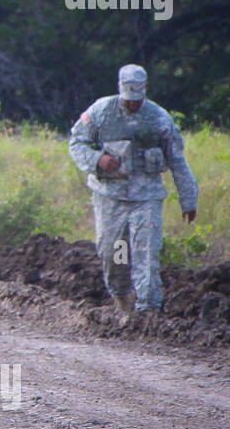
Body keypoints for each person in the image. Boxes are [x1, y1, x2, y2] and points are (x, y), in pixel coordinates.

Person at [68, 64, 198, 324]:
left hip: (146, 197)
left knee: (146, 251)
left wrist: (188, 198)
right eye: (128, 100)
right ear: (119, 90)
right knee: (112, 253)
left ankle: (149, 311)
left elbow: (177, 160)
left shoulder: (159, 119)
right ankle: (122, 296)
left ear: (146, 90)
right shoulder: (101, 111)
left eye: (136, 100)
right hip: (110, 196)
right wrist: (98, 159)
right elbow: (76, 142)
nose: (131, 105)